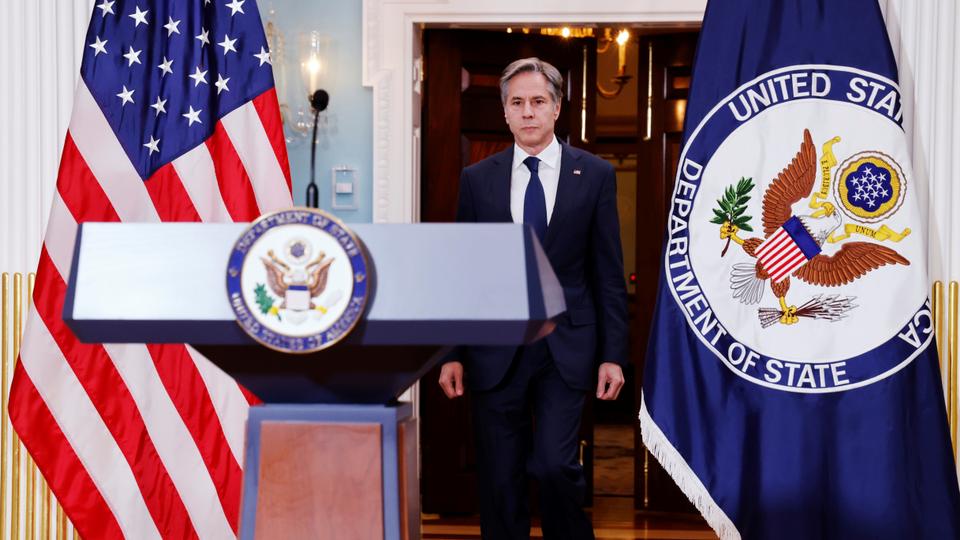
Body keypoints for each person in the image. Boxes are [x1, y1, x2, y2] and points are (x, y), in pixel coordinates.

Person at [438, 57, 629, 540]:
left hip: (567, 347)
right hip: (495, 350)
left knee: (553, 465)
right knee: (501, 481)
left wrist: (613, 356)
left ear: (556, 108)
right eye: (517, 102)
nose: (528, 111)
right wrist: (451, 353)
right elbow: (460, 272)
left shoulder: (595, 174)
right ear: (504, 111)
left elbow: (608, 273)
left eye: (538, 101)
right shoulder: (477, 178)